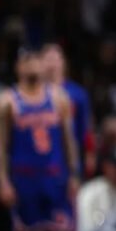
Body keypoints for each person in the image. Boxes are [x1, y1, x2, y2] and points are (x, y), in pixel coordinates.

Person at [0, 48, 80, 231]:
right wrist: (3, 181)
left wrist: (74, 173)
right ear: (17, 67)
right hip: (24, 179)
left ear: (43, 66)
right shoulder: (7, 101)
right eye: (26, 61)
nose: (31, 65)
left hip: (54, 177)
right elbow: (0, 147)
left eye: (35, 60)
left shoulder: (58, 98)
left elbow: (68, 139)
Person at [42, 43, 95, 177]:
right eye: (47, 59)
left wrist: (90, 154)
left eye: (55, 59)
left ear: (63, 63)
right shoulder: (34, 95)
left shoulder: (78, 94)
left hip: (70, 156)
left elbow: (86, 128)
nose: (51, 65)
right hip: (43, 158)